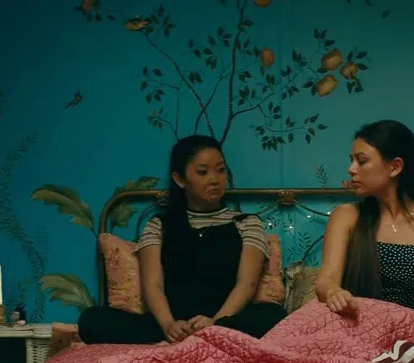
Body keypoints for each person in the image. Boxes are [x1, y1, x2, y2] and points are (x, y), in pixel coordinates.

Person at [77, 135, 287, 344]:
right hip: (171, 324)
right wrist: (169, 325)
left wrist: (215, 324)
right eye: (203, 172)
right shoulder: (159, 225)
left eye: (221, 170)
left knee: (274, 315)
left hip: (226, 322)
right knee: (91, 320)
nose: (215, 180)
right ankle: (180, 340)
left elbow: (247, 283)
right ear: (179, 179)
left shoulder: (247, 223)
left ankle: (211, 339)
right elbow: (153, 284)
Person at [314, 120, 414, 331]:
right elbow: (326, 279)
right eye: (351, 161)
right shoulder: (346, 216)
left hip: (408, 335)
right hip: (353, 332)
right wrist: (333, 292)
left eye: (362, 161)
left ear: (395, 167)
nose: (351, 169)